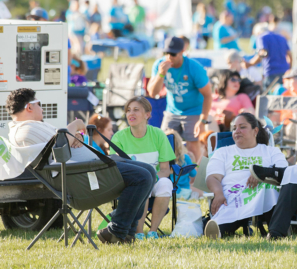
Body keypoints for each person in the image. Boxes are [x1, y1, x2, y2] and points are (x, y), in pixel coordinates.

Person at [5, 88, 156, 244]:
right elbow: (59, 151)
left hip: (90, 169)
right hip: (83, 178)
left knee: (149, 171)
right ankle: (116, 230)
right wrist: (75, 125)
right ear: (29, 107)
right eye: (39, 104)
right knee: (142, 177)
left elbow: (61, 142)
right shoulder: (25, 131)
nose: (42, 108)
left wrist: (75, 136)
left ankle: (125, 234)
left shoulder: (33, 127)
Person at [204, 113, 288, 239]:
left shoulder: (270, 151)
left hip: (263, 190)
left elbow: (283, 171)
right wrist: (218, 193)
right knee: (233, 202)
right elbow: (213, 177)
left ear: (255, 131)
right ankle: (219, 230)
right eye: (234, 128)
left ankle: (275, 232)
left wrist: (261, 174)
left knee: (268, 188)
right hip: (233, 192)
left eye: (242, 127)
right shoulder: (223, 152)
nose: (237, 131)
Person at [111, 96, 176, 240]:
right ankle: (138, 232)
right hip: (130, 184)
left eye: (136, 110)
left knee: (166, 184)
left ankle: (153, 232)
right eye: (128, 110)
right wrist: (147, 179)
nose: (130, 114)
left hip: (156, 178)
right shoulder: (118, 138)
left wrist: (153, 178)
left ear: (147, 114)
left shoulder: (158, 135)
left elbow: (166, 169)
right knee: (142, 182)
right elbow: (116, 169)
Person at [147, 36, 212, 162]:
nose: (169, 57)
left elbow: (208, 95)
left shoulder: (194, 68)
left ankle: (193, 180)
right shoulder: (160, 65)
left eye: (173, 53)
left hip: (193, 111)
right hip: (172, 111)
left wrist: (203, 120)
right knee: (165, 145)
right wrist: (161, 74)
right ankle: (169, 177)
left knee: (193, 147)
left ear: (182, 51)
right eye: (166, 53)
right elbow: (152, 93)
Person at [245, 19, 292, 91]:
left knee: (270, 99)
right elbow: (290, 55)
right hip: (284, 72)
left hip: (271, 73)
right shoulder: (282, 37)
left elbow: (263, 53)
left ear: (258, 32)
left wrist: (250, 63)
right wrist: (289, 68)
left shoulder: (261, 37)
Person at [168, 129, 202, 200]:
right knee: (200, 190)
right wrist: (193, 161)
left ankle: (193, 195)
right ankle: (193, 196)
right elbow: (194, 174)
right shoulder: (185, 157)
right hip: (184, 192)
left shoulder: (163, 159)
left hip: (168, 193)